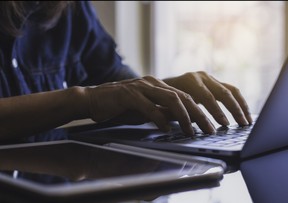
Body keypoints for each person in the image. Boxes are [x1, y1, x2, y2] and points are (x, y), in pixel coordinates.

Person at [0, 1, 252, 144]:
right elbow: (97, 97)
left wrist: (163, 92)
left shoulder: (72, 8)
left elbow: (114, 82)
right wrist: (85, 100)